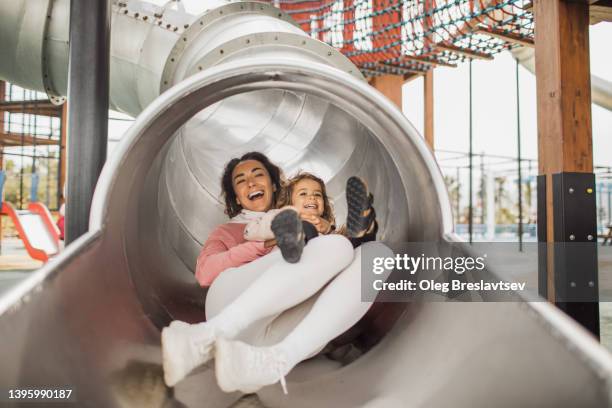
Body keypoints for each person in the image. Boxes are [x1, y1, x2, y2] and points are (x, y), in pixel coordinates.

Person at [162, 152, 391, 395]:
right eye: (241, 180)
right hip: (231, 304)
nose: (250, 183)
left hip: (279, 332)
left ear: (273, 185)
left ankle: (275, 361)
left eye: (257, 174)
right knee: (336, 246)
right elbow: (205, 273)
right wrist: (266, 244)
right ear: (237, 197)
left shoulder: (309, 222)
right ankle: (206, 336)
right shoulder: (229, 231)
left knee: (377, 256)